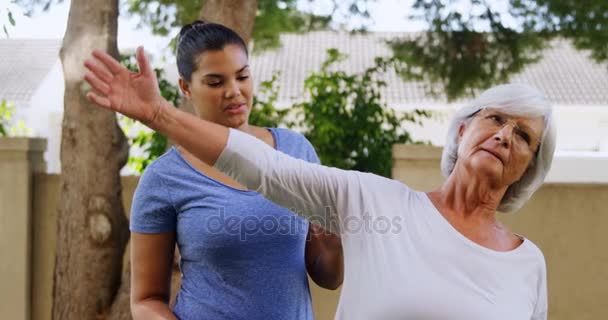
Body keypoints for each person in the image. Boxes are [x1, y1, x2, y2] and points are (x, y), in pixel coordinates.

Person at [84, 35, 556, 319]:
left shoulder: (528, 264)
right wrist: (159, 114)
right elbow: (262, 165)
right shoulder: (377, 202)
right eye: (494, 119)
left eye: (523, 136)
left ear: (529, 167)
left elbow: (324, 270)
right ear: (461, 129)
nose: (504, 136)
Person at [96, 21, 343, 319]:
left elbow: (329, 278)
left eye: (242, 76)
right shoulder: (164, 179)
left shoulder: (296, 151)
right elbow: (146, 300)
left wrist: (334, 243)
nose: (234, 92)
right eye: (216, 82)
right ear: (186, 87)